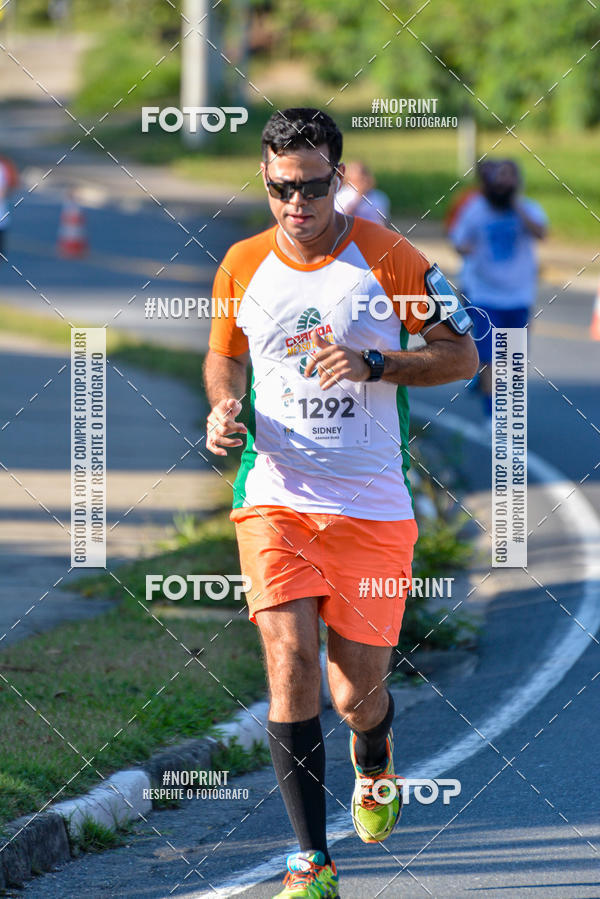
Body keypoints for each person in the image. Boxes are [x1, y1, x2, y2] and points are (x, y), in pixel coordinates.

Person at [204, 107, 478, 898]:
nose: (298, 204)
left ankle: (375, 754)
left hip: (371, 508)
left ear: (339, 178)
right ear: (266, 179)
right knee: (288, 664)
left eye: (314, 187)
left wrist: (376, 363)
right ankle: (311, 862)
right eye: (283, 188)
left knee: (354, 692)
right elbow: (223, 361)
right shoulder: (239, 264)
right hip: (277, 499)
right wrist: (225, 408)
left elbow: (460, 353)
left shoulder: (391, 258)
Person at [449, 159, 547, 416]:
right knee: (492, 357)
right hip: (485, 295)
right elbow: (458, 240)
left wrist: (516, 206)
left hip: (519, 296)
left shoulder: (528, 208)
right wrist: (465, 248)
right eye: (499, 177)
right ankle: (492, 413)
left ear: (517, 182)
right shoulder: (475, 209)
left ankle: (507, 411)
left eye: (509, 177)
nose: (503, 182)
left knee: (512, 360)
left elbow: (541, 233)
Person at [334, 160, 390, 225]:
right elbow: (340, 220)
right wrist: (360, 196)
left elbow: (383, 221)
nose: (365, 179)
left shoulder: (379, 196)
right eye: (360, 178)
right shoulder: (342, 195)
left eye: (365, 175)